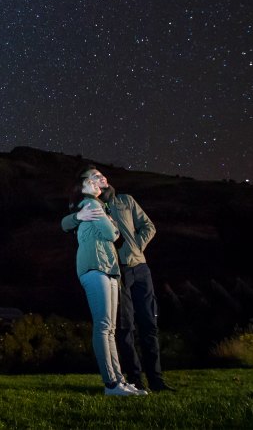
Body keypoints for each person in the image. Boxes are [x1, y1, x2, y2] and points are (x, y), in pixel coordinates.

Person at [61, 166, 174, 392]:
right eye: (95, 177)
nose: (101, 178)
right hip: (113, 269)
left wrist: (135, 248)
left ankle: (156, 380)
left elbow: (148, 226)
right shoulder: (91, 204)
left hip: (138, 267)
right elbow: (66, 223)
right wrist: (76, 216)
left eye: (102, 175)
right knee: (123, 327)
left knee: (148, 324)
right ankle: (132, 379)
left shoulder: (125, 201)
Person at [69, 174, 146, 397]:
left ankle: (118, 381)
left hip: (107, 268)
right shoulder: (91, 204)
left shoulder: (97, 205)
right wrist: (112, 223)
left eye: (96, 181)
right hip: (96, 268)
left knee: (110, 328)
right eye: (89, 182)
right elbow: (111, 233)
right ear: (81, 189)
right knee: (104, 326)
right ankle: (111, 383)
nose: (95, 184)